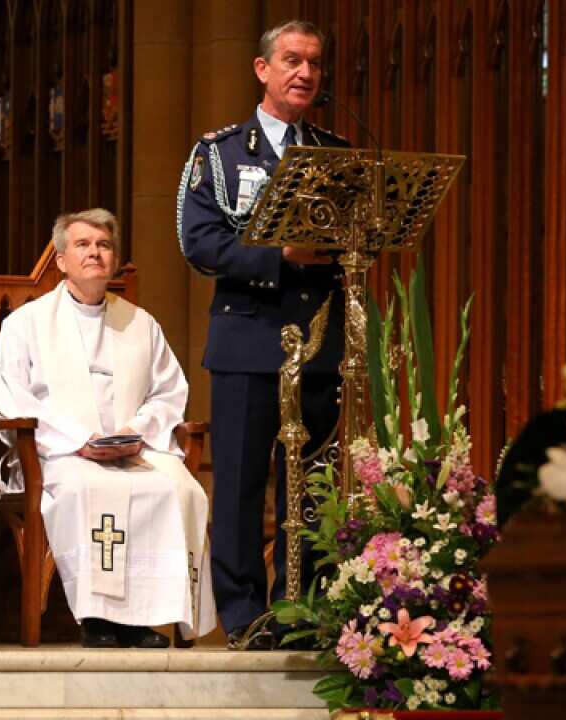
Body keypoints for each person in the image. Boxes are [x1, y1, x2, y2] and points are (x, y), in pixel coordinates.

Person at [177, 19, 347, 650]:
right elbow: (199, 242)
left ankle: (304, 611)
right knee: (242, 484)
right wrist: (280, 256)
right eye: (293, 60)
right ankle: (246, 616)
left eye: (315, 63)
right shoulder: (220, 153)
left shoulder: (335, 152)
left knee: (312, 484)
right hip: (248, 339)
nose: (306, 73)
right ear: (262, 69)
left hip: (319, 341)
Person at [0, 209, 216, 648]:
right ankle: (98, 619)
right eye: (83, 244)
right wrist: (79, 441)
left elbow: (168, 392)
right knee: (86, 487)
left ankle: (147, 620)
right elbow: (11, 398)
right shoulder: (26, 324)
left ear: (113, 258)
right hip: (60, 454)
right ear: (61, 260)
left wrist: (134, 431)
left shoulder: (140, 323)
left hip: (135, 450)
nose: (95, 252)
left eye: (104, 245)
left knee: (180, 490)